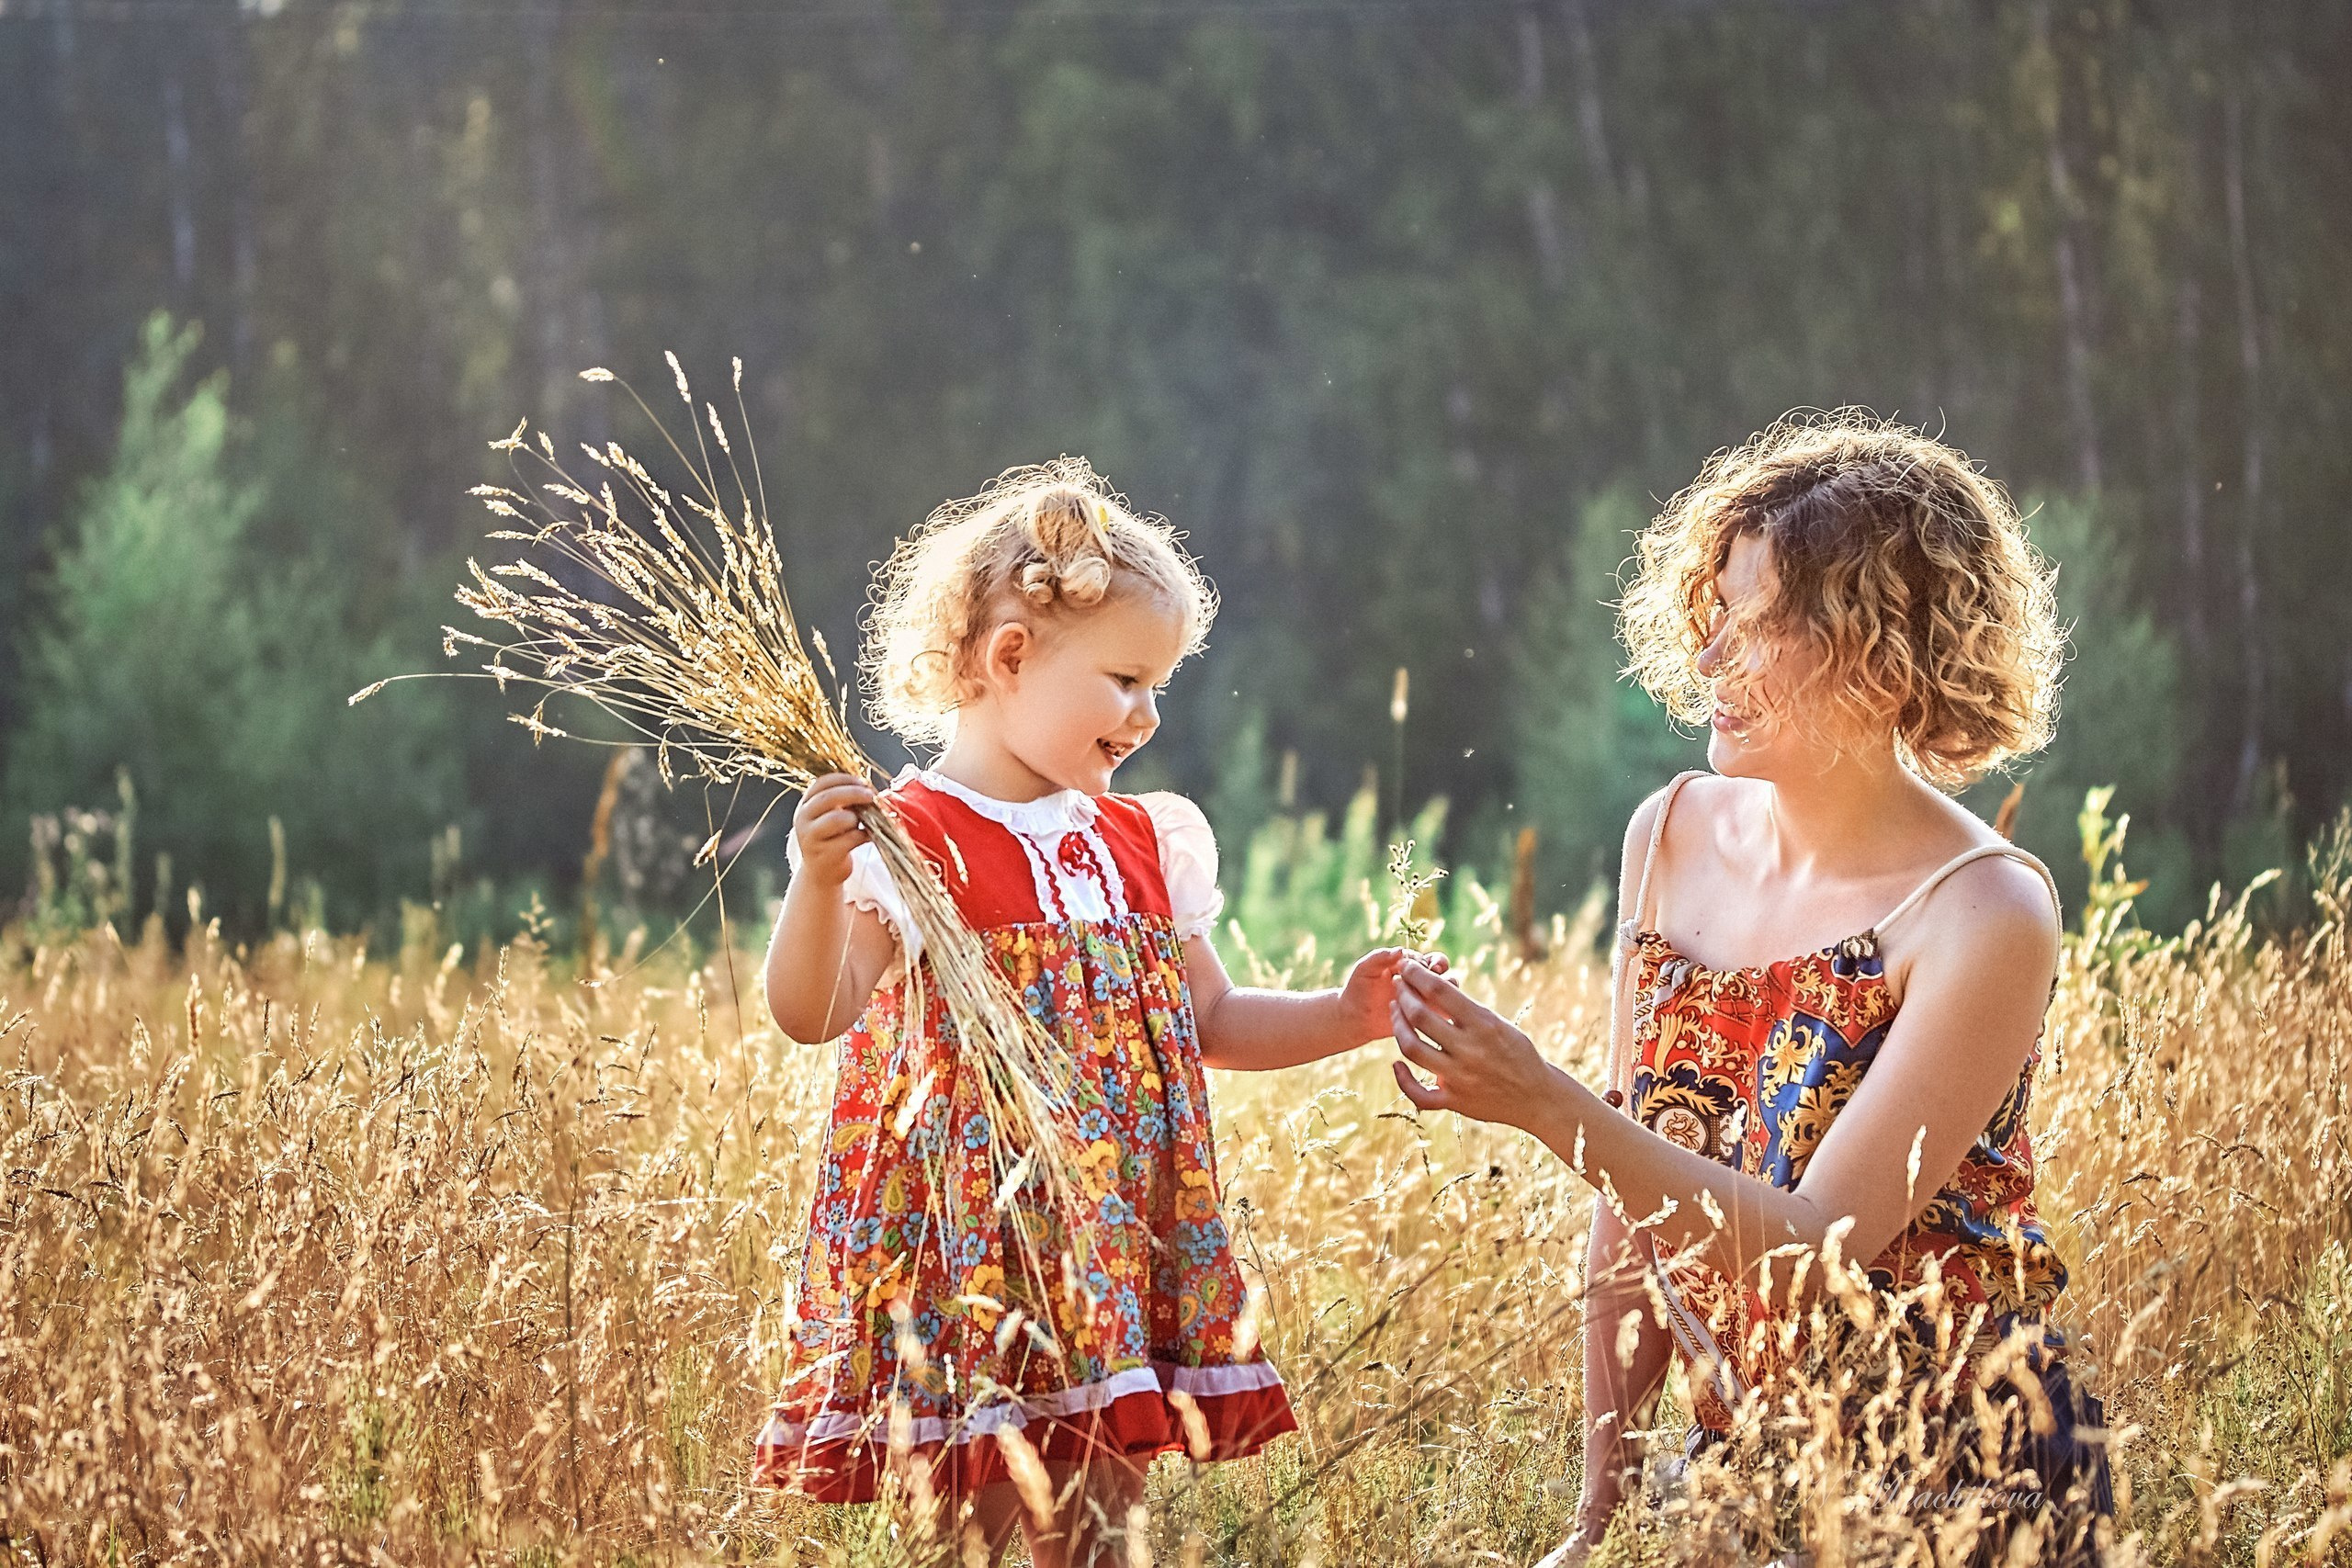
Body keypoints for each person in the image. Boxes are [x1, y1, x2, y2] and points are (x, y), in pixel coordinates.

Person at [1384, 415, 2114, 1566]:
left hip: (1960, 1476)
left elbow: (1818, 1245)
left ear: (1884, 651)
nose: (1713, 651)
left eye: (1765, 624)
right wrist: (1598, 1519)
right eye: (1713, 610)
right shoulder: (1668, 832)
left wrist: (1543, 1104)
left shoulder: (1986, 913)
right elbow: (1626, 1213)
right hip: (1740, 1464)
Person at [752, 459, 1436, 1567]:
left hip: (1115, 1236)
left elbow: (1208, 1019)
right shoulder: (913, 842)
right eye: (1125, 680)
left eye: (1160, 685)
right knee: (978, 1514)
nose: (1149, 716)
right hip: (978, 1250)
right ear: (1009, 657)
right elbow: (813, 1012)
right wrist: (818, 885)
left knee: (1104, 1521)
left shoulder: (1140, 841)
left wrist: (1341, 1013)